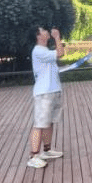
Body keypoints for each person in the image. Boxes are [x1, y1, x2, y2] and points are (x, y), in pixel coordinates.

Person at [27, 26, 66, 168]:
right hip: (44, 94)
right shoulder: (38, 50)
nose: (46, 31)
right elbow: (60, 53)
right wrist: (57, 37)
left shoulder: (45, 51)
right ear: (38, 36)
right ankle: (33, 156)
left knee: (49, 122)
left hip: (53, 91)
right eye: (43, 30)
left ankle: (47, 150)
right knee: (39, 124)